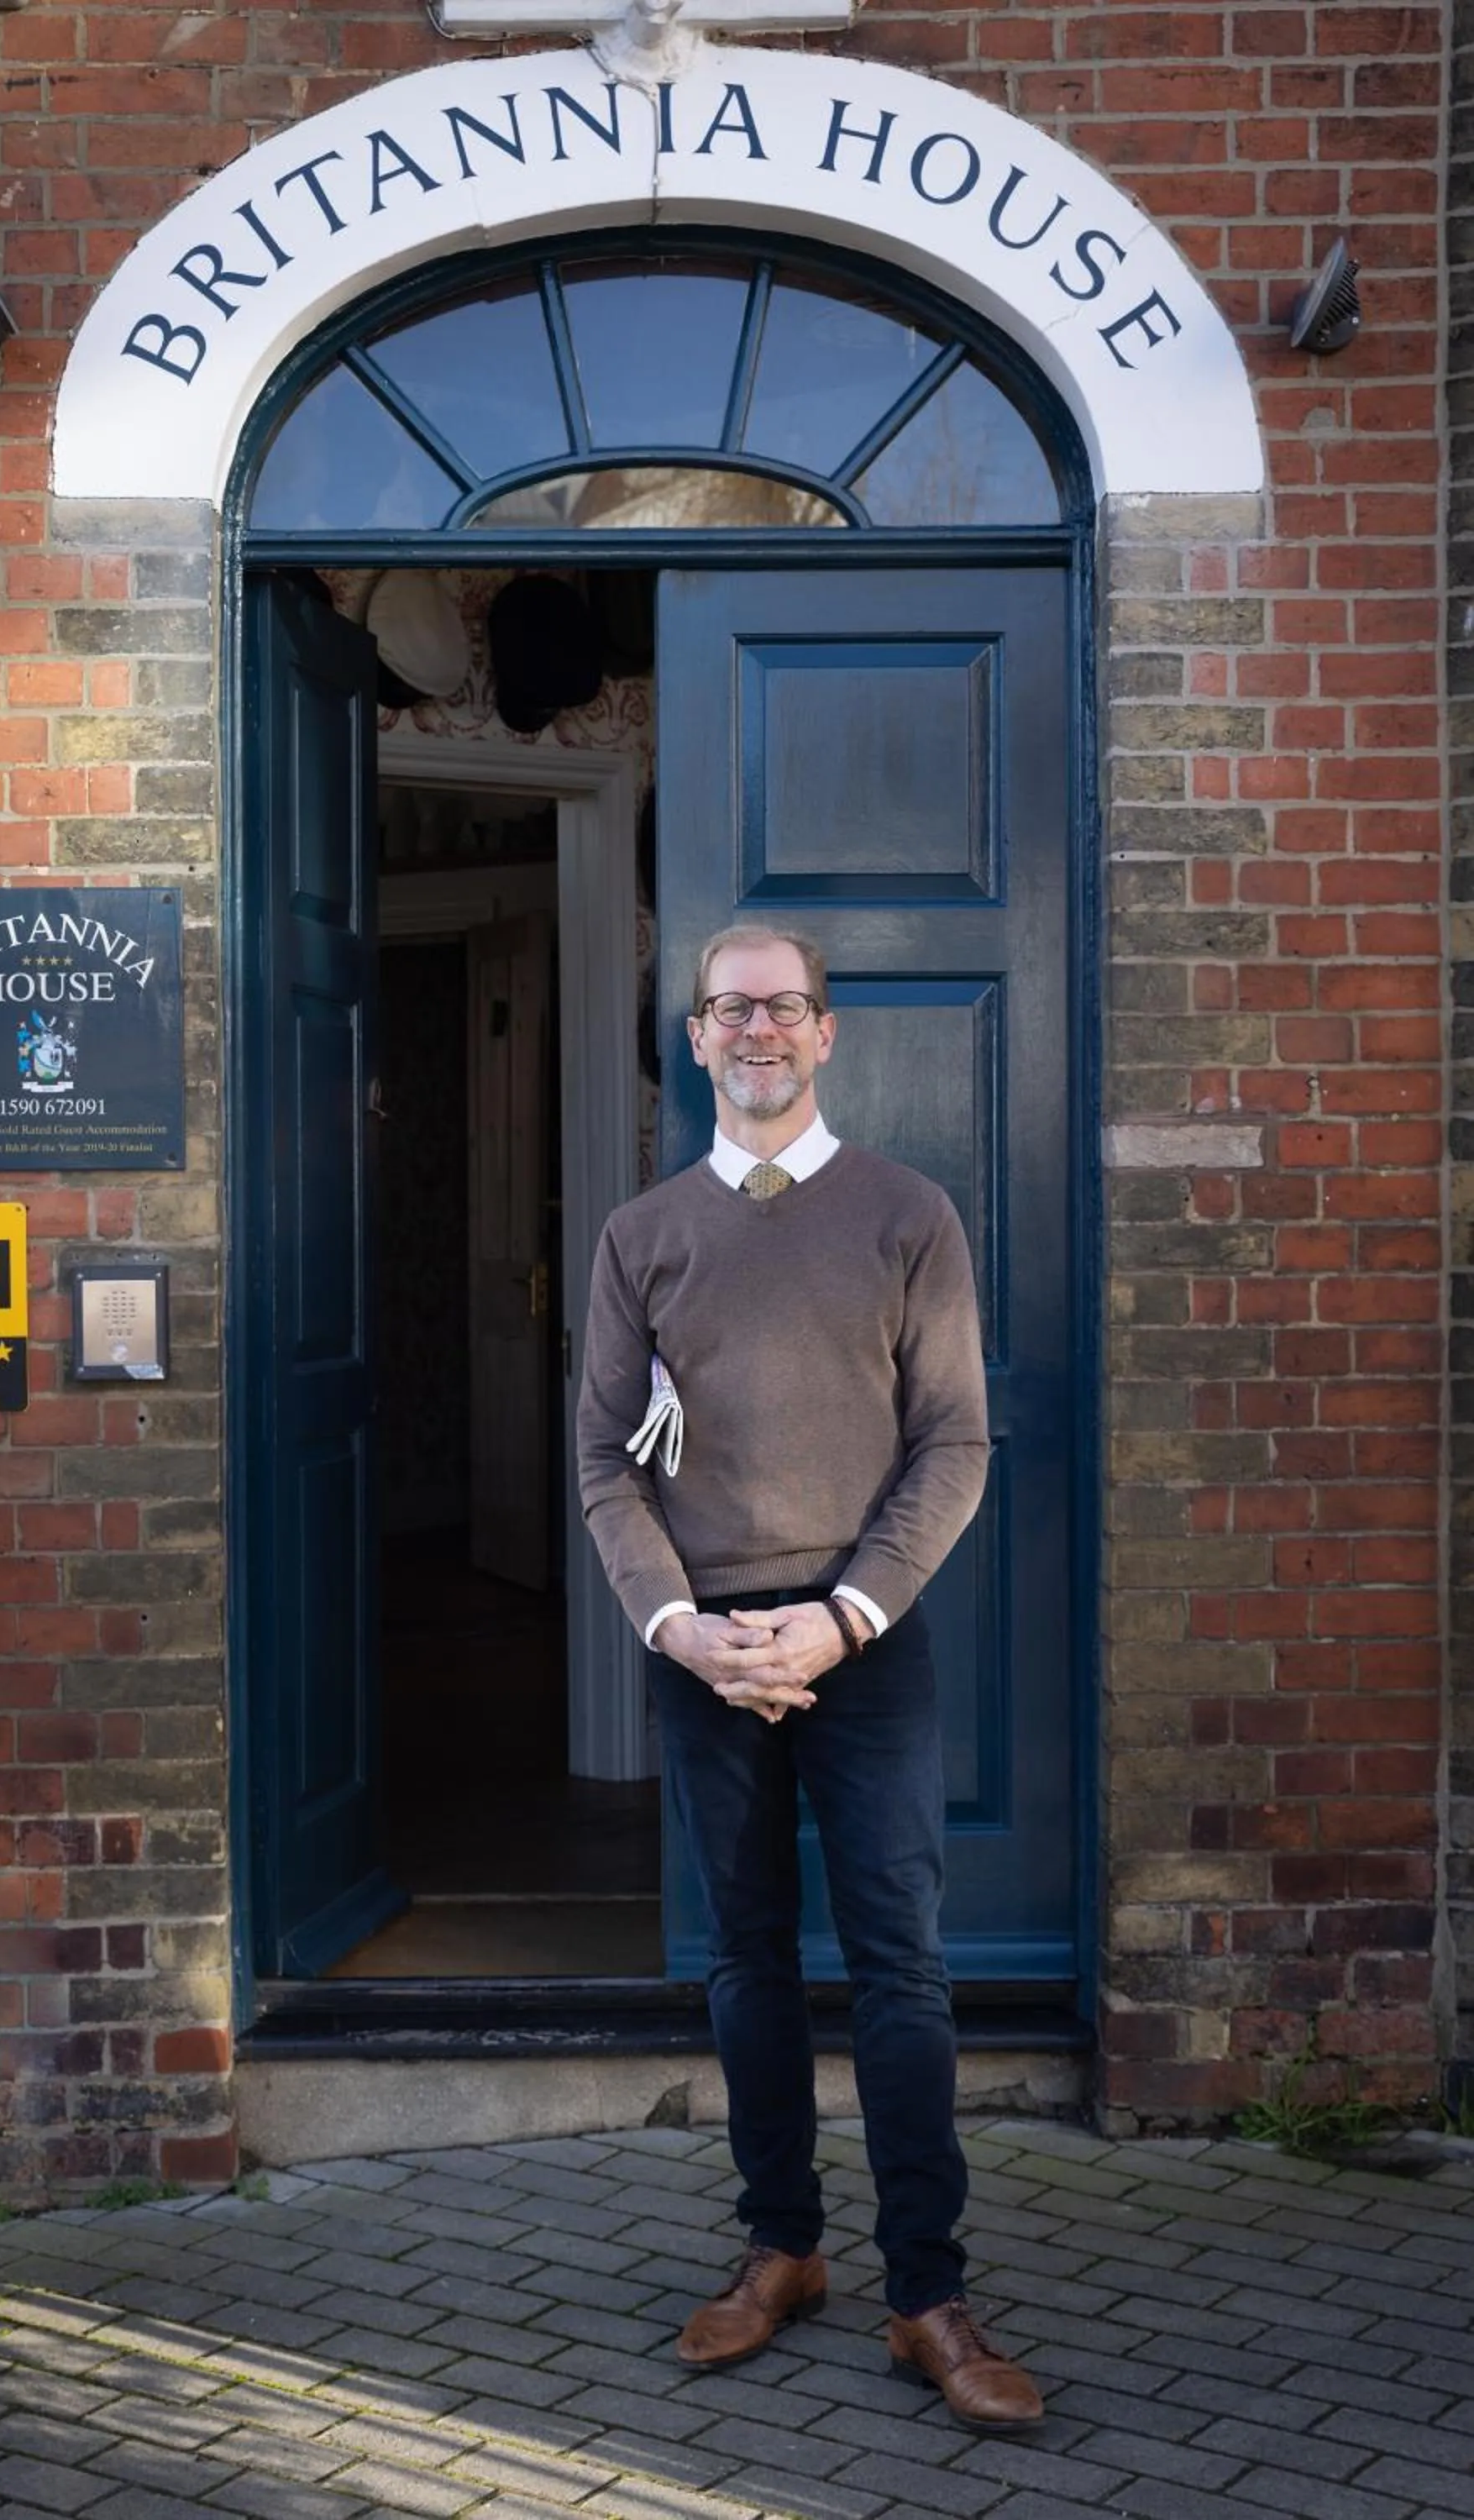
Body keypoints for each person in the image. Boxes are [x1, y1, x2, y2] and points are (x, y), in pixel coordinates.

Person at [575, 922, 1043, 2433]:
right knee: (746, 1960)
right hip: (706, 1650)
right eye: (732, 1008)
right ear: (697, 1037)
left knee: (899, 1965)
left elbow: (955, 1442)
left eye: (786, 1006)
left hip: (865, 1638)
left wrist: (841, 1617)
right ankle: (781, 2247)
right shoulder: (641, 1236)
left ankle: (929, 2293)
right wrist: (680, 1629)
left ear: (826, 1035)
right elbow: (602, 1457)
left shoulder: (910, 1216)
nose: (760, 1029)